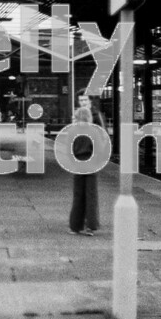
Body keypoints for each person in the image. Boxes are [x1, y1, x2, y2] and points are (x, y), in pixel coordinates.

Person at [69, 90, 105, 236]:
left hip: (78, 163)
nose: (82, 103)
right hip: (92, 162)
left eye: (85, 100)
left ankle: (75, 226)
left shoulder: (75, 128)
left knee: (78, 194)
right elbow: (102, 142)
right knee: (91, 193)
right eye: (81, 101)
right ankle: (91, 225)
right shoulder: (93, 128)